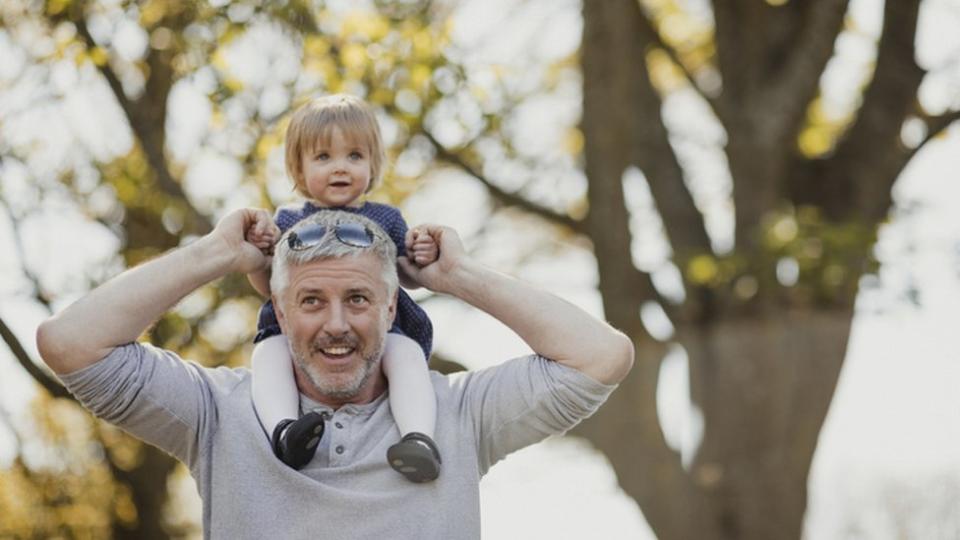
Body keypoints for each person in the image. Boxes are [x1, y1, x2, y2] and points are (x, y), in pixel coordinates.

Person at [36, 209, 634, 539]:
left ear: (391, 308)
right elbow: (70, 343)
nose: (337, 324)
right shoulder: (217, 413)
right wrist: (213, 255)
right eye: (312, 302)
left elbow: (600, 357)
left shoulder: (459, 413)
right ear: (281, 312)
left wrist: (461, 277)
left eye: (358, 298)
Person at [244, 93, 442, 479]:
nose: (341, 168)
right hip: (295, 326)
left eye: (354, 156)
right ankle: (284, 431)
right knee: (268, 356)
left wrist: (422, 253)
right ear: (298, 170)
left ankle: (418, 439)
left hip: (381, 326)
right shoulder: (287, 220)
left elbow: (406, 277)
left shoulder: (385, 218)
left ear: (373, 164)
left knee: (406, 355)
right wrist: (258, 252)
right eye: (323, 157)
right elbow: (269, 284)